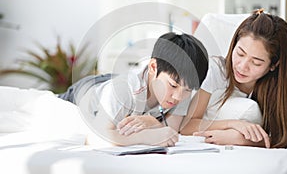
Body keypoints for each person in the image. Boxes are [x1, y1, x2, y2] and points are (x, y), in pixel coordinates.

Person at [59, 32, 208, 147]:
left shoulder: (181, 88)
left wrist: (152, 122)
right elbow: (94, 137)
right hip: (83, 94)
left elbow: (172, 129)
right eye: (173, 86)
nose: (178, 97)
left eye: (188, 90)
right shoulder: (123, 90)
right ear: (153, 67)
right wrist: (146, 137)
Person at [180, 9, 287, 148]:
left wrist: (241, 139)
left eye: (256, 62)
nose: (242, 67)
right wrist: (233, 124)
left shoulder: (276, 87)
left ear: (274, 65)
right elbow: (187, 125)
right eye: (240, 53)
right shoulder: (216, 70)